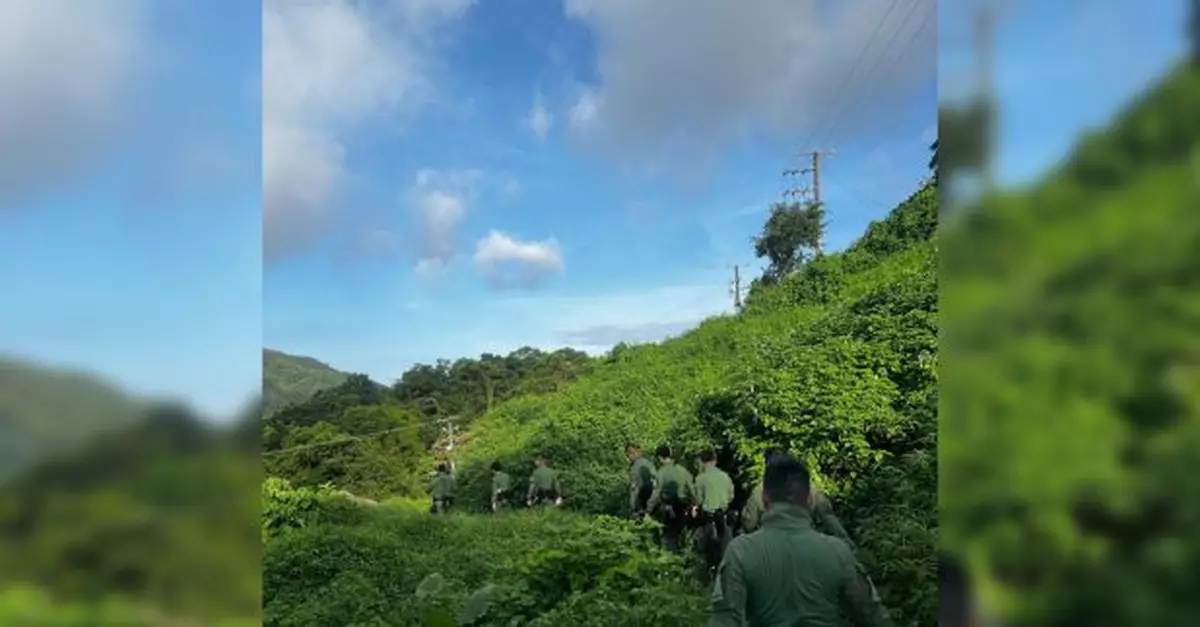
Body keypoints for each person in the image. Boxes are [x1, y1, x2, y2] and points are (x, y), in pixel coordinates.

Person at [710, 455, 891, 627]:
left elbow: (725, 620)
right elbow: (873, 616)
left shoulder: (740, 551)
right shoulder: (838, 551)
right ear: (810, 500)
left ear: (764, 499)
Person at [741, 447, 852, 547]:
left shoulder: (759, 490)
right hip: (807, 543)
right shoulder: (807, 487)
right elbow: (829, 518)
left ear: (767, 464)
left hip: (770, 545)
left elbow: (749, 523)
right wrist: (846, 543)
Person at [693, 449, 735, 578]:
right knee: (726, 555)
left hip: (708, 520)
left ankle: (705, 579)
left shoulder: (700, 479)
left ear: (702, 461)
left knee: (702, 552)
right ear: (714, 460)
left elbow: (698, 500)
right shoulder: (725, 477)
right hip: (724, 518)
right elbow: (731, 496)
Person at [646, 443, 695, 552]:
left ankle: (670, 558)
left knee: (669, 537)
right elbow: (692, 489)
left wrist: (648, 510)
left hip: (669, 509)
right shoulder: (683, 471)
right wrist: (695, 505)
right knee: (683, 537)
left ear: (660, 457)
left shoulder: (661, 473)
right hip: (684, 508)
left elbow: (656, 493)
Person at [626, 442, 656, 517]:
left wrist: (633, 507)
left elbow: (634, 487)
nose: (630, 456)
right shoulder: (649, 464)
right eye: (628, 454)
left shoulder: (636, 466)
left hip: (641, 504)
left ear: (639, 452)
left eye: (632, 453)